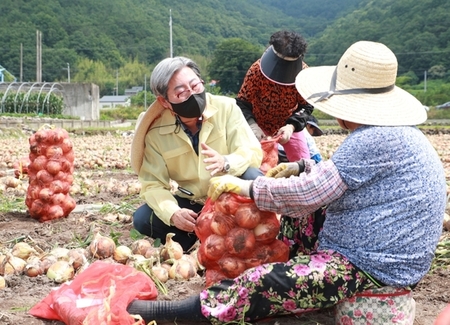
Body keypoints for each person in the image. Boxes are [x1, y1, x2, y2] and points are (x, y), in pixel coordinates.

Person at [127, 41, 447, 324]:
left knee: (265, 283)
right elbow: (339, 174)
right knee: (296, 219)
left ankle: (177, 312)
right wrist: (299, 166)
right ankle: (292, 260)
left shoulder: (371, 140)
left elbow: (308, 193)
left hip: (370, 266)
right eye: (181, 92)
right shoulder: (391, 133)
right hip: (384, 252)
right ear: (166, 100)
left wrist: (246, 188)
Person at [130, 56, 263, 252]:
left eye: (195, 86)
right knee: (143, 219)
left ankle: (243, 237)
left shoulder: (226, 108)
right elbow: (153, 184)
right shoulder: (156, 132)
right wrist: (174, 213)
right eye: (181, 92)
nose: (192, 94)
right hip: (194, 204)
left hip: (231, 196)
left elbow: (251, 152)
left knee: (253, 177)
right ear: (164, 101)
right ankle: (199, 241)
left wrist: (226, 162)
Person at [236, 30, 314, 162]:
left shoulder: (303, 75)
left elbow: (306, 106)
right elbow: (242, 102)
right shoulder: (256, 71)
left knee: (303, 162)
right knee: (258, 163)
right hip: (259, 123)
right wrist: (252, 125)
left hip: (288, 124)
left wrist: (291, 126)